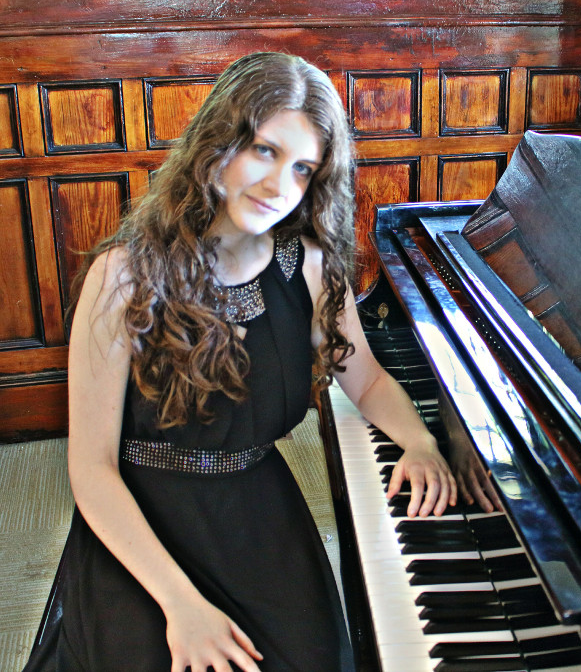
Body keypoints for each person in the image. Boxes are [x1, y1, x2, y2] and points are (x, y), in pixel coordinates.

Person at [24, 51, 456, 672]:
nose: (280, 186)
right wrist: (181, 605)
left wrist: (417, 440)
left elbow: (365, 379)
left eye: (303, 168)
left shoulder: (308, 265)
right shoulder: (124, 274)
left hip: (257, 508)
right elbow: (91, 469)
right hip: (140, 515)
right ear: (216, 144)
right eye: (263, 150)